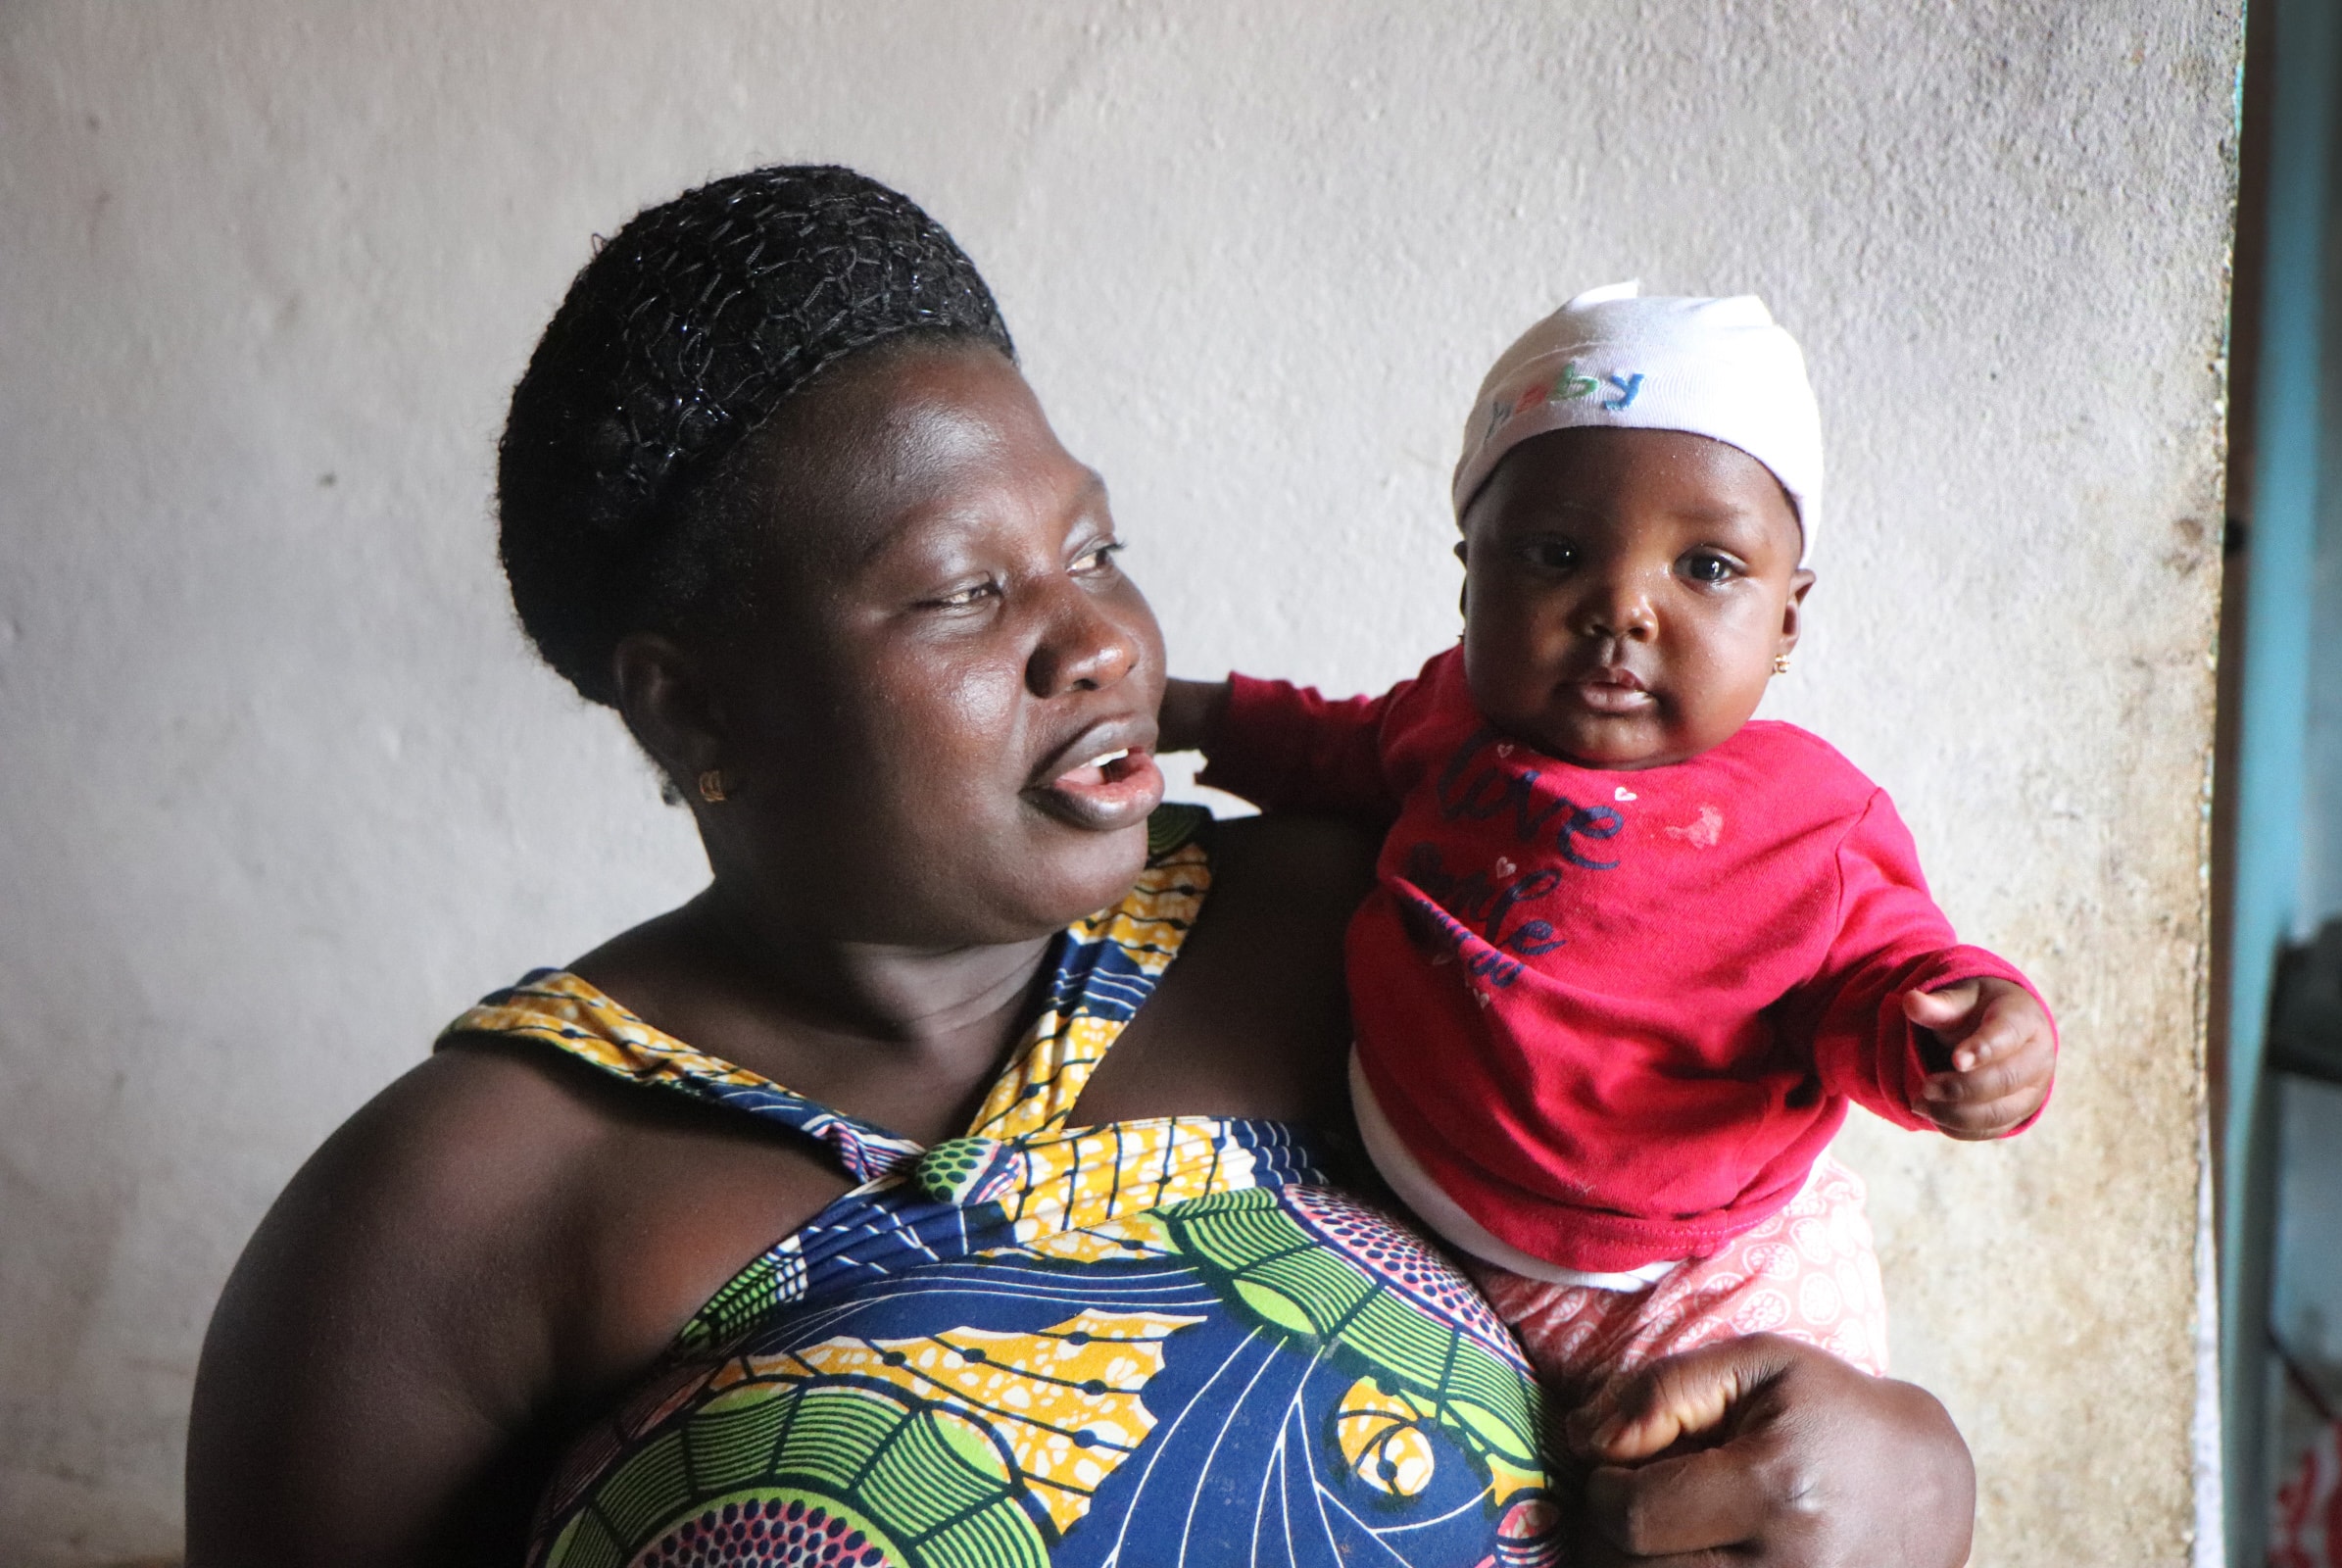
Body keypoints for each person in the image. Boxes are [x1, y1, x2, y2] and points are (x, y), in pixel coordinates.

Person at [186, 167, 1979, 1568]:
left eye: (1093, 547)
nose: (1102, 642)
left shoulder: (1387, 929)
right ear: (690, 709)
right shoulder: (448, 1227)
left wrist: (1908, 1474)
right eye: (969, 591)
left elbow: (1744, 1292)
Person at [1156, 283, 2059, 1410]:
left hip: (1702, 1280)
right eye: (1555, 551)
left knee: (1728, 1499)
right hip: (1409, 1212)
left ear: (1787, 619)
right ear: (1468, 575)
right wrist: (1194, 711)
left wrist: (1969, 1037)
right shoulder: (1444, 722)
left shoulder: (1810, 821)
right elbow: (1329, 747)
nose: (1622, 606)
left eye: (1708, 568)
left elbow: (1887, 981)